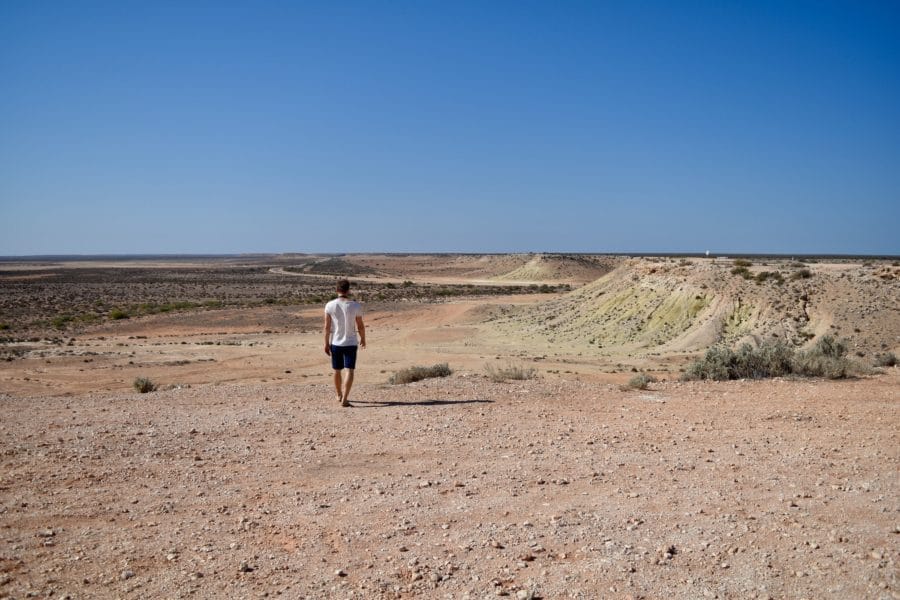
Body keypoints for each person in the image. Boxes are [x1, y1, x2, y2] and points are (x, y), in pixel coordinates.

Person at [323, 279, 366, 407]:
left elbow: (326, 327)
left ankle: (338, 394)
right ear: (348, 290)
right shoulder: (355, 305)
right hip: (351, 342)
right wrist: (363, 338)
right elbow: (360, 325)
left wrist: (325, 343)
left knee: (337, 370)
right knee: (350, 370)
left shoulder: (330, 305)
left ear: (337, 290)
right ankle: (345, 399)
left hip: (336, 343)